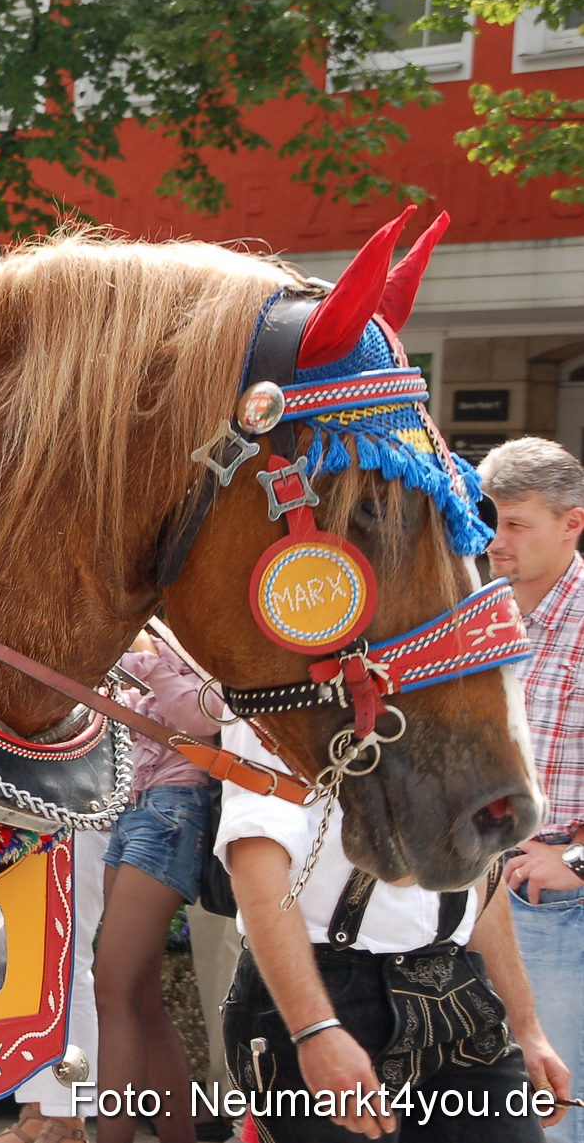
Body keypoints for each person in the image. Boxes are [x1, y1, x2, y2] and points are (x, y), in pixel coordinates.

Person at [216, 719, 568, 1142]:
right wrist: (315, 1029)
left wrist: (527, 1029)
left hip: (457, 991)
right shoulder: (278, 694)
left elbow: (481, 872)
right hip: (329, 990)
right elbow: (257, 874)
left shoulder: (459, 689)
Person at [480, 437, 584, 1143]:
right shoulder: (475, 609)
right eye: (491, 518)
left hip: (550, 905)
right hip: (466, 896)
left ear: (572, 522)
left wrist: (574, 861)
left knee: (549, 1118)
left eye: (517, 523)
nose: (497, 539)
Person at [90, 630, 222, 1143]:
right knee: (139, 996)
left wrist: (148, 663)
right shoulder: (135, 648)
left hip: (174, 810)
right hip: (131, 814)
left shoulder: (189, 646)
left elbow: (205, 720)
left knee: (113, 989)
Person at [0, 828, 107, 1143]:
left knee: (67, 962)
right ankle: (40, 1116)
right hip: (48, 812)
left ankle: (67, 1122)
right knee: (36, 963)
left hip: (84, 810)